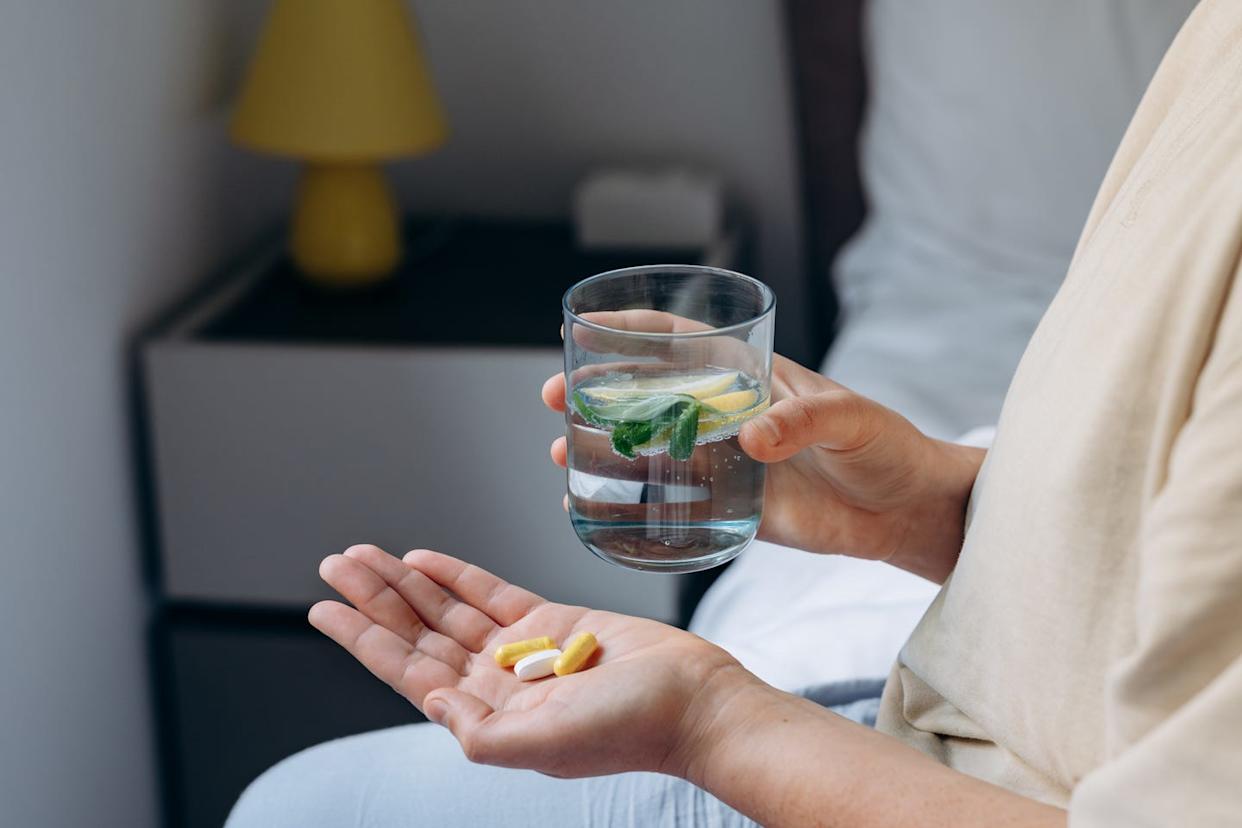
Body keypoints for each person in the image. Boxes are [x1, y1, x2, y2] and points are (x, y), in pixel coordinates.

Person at [228, 1, 1242, 824]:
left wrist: (709, 721)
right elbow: (1154, 560)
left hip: (971, 786)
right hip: (956, 726)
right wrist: (932, 508)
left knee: (293, 809)